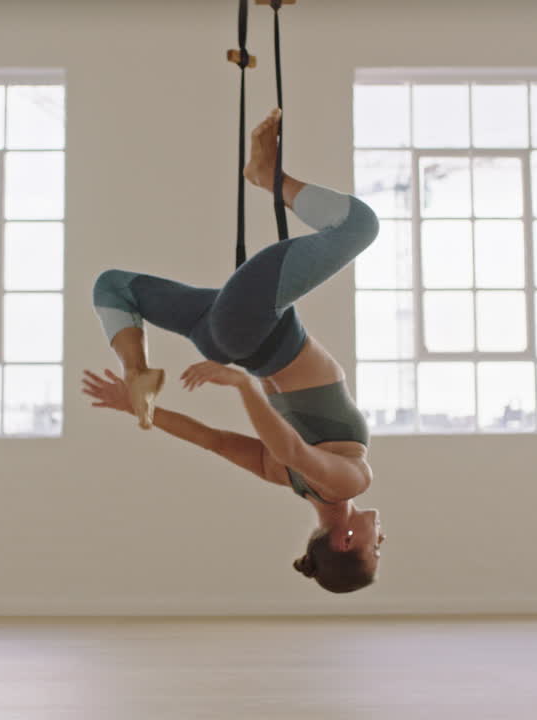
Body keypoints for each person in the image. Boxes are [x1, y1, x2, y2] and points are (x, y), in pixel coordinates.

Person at [84, 108, 384, 593]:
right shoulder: (284, 478)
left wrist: (244, 387)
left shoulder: (347, 483)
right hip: (227, 337)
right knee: (114, 287)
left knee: (359, 227)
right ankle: (136, 370)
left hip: (254, 327)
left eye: (375, 549)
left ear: (346, 541)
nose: (381, 539)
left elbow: (291, 447)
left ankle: (267, 176)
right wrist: (143, 411)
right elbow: (213, 441)